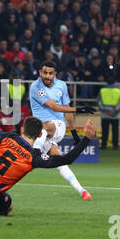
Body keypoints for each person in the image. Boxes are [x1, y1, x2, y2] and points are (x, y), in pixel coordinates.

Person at [29, 61, 96, 200]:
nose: (47, 76)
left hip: (57, 126)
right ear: (40, 73)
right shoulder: (36, 87)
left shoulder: (62, 85)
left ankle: (33, 152)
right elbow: (53, 106)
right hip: (42, 134)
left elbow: (67, 111)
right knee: (60, 162)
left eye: (50, 73)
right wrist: (79, 109)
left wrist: (74, 133)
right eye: (45, 73)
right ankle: (82, 191)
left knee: (45, 125)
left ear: (55, 74)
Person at [97, 77, 120, 150]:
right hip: (115, 114)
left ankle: (103, 145)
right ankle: (115, 145)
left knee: (105, 130)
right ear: (114, 83)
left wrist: (105, 110)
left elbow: (99, 102)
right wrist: (114, 110)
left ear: (107, 83)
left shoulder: (102, 90)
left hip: (104, 114)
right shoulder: (118, 91)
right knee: (115, 130)